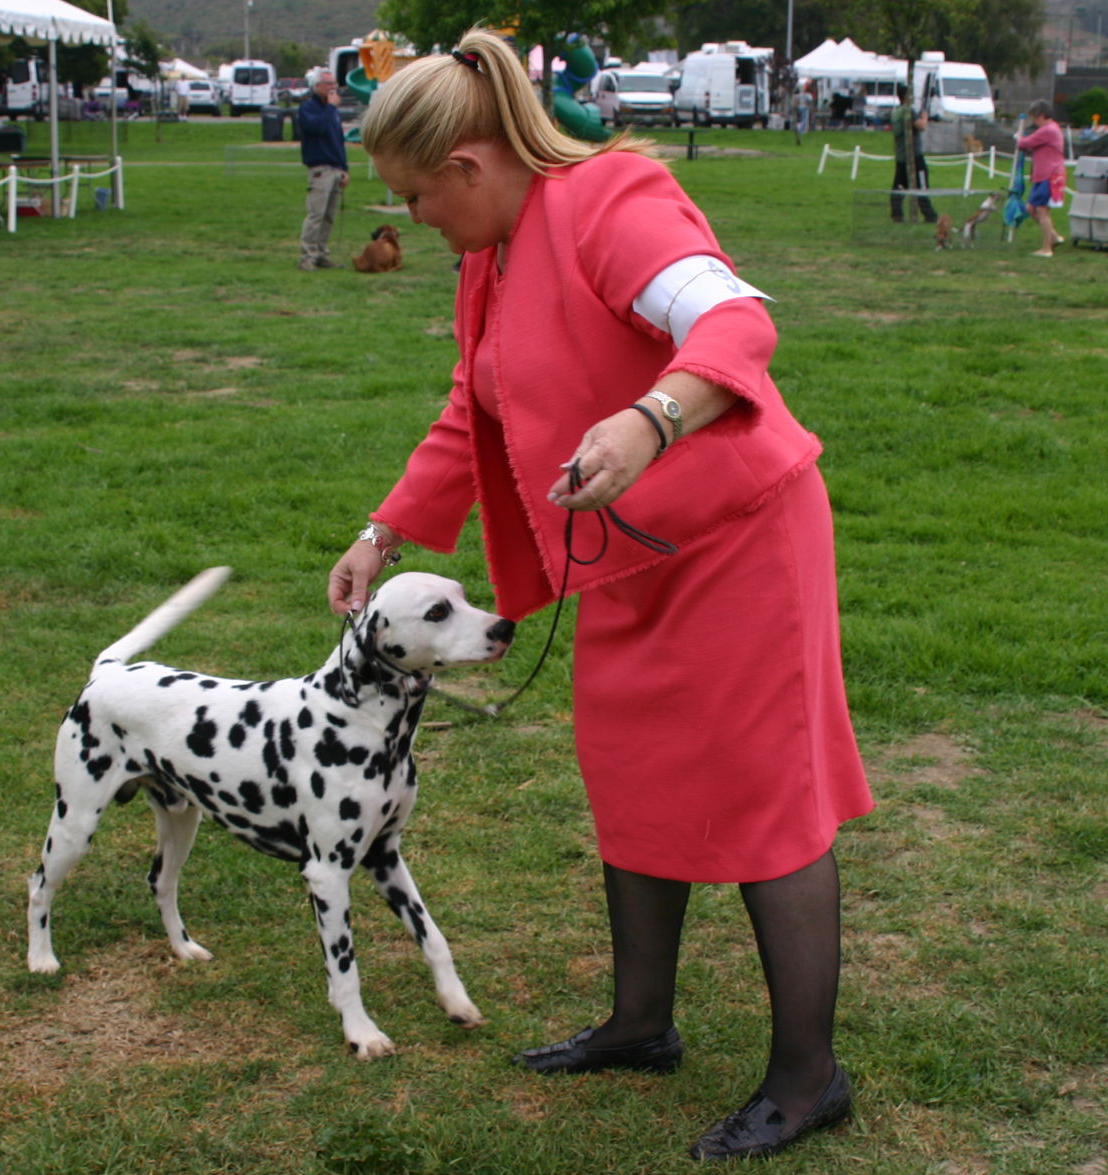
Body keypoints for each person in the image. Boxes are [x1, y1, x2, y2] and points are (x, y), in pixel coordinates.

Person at [325, 27, 874, 1164]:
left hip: (736, 541)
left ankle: (807, 1073)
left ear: (470, 168)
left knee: (765, 796)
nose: (415, 222)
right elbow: (468, 411)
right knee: (629, 773)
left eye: (417, 197)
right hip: (623, 555)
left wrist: (649, 416)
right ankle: (639, 1022)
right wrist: (383, 532)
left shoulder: (614, 200)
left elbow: (736, 322)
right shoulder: (493, 254)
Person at [295, 67, 348, 271]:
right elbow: (314, 127)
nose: (333, 88)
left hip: (335, 167)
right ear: (317, 86)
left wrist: (344, 169)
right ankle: (307, 256)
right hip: (319, 168)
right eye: (328, 84)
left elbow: (337, 141)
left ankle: (321, 252)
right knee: (316, 214)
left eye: (334, 84)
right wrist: (330, 109)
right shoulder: (309, 108)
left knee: (328, 215)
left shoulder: (332, 112)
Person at [1018, 99, 1067, 256]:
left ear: (1043, 115)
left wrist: (1019, 138)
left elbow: (1025, 143)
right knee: (1030, 208)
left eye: (1035, 118)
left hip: (1050, 175)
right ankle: (1053, 236)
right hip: (1041, 175)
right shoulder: (1049, 130)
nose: (1034, 121)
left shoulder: (1049, 130)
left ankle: (1047, 249)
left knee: (1042, 210)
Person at [889, 83, 937, 224]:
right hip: (913, 156)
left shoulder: (896, 112)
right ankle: (930, 215)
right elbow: (921, 126)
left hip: (901, 155)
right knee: (922, 186)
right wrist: (924, 117)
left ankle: (896, 214)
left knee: (899, 186)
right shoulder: (909, 111)